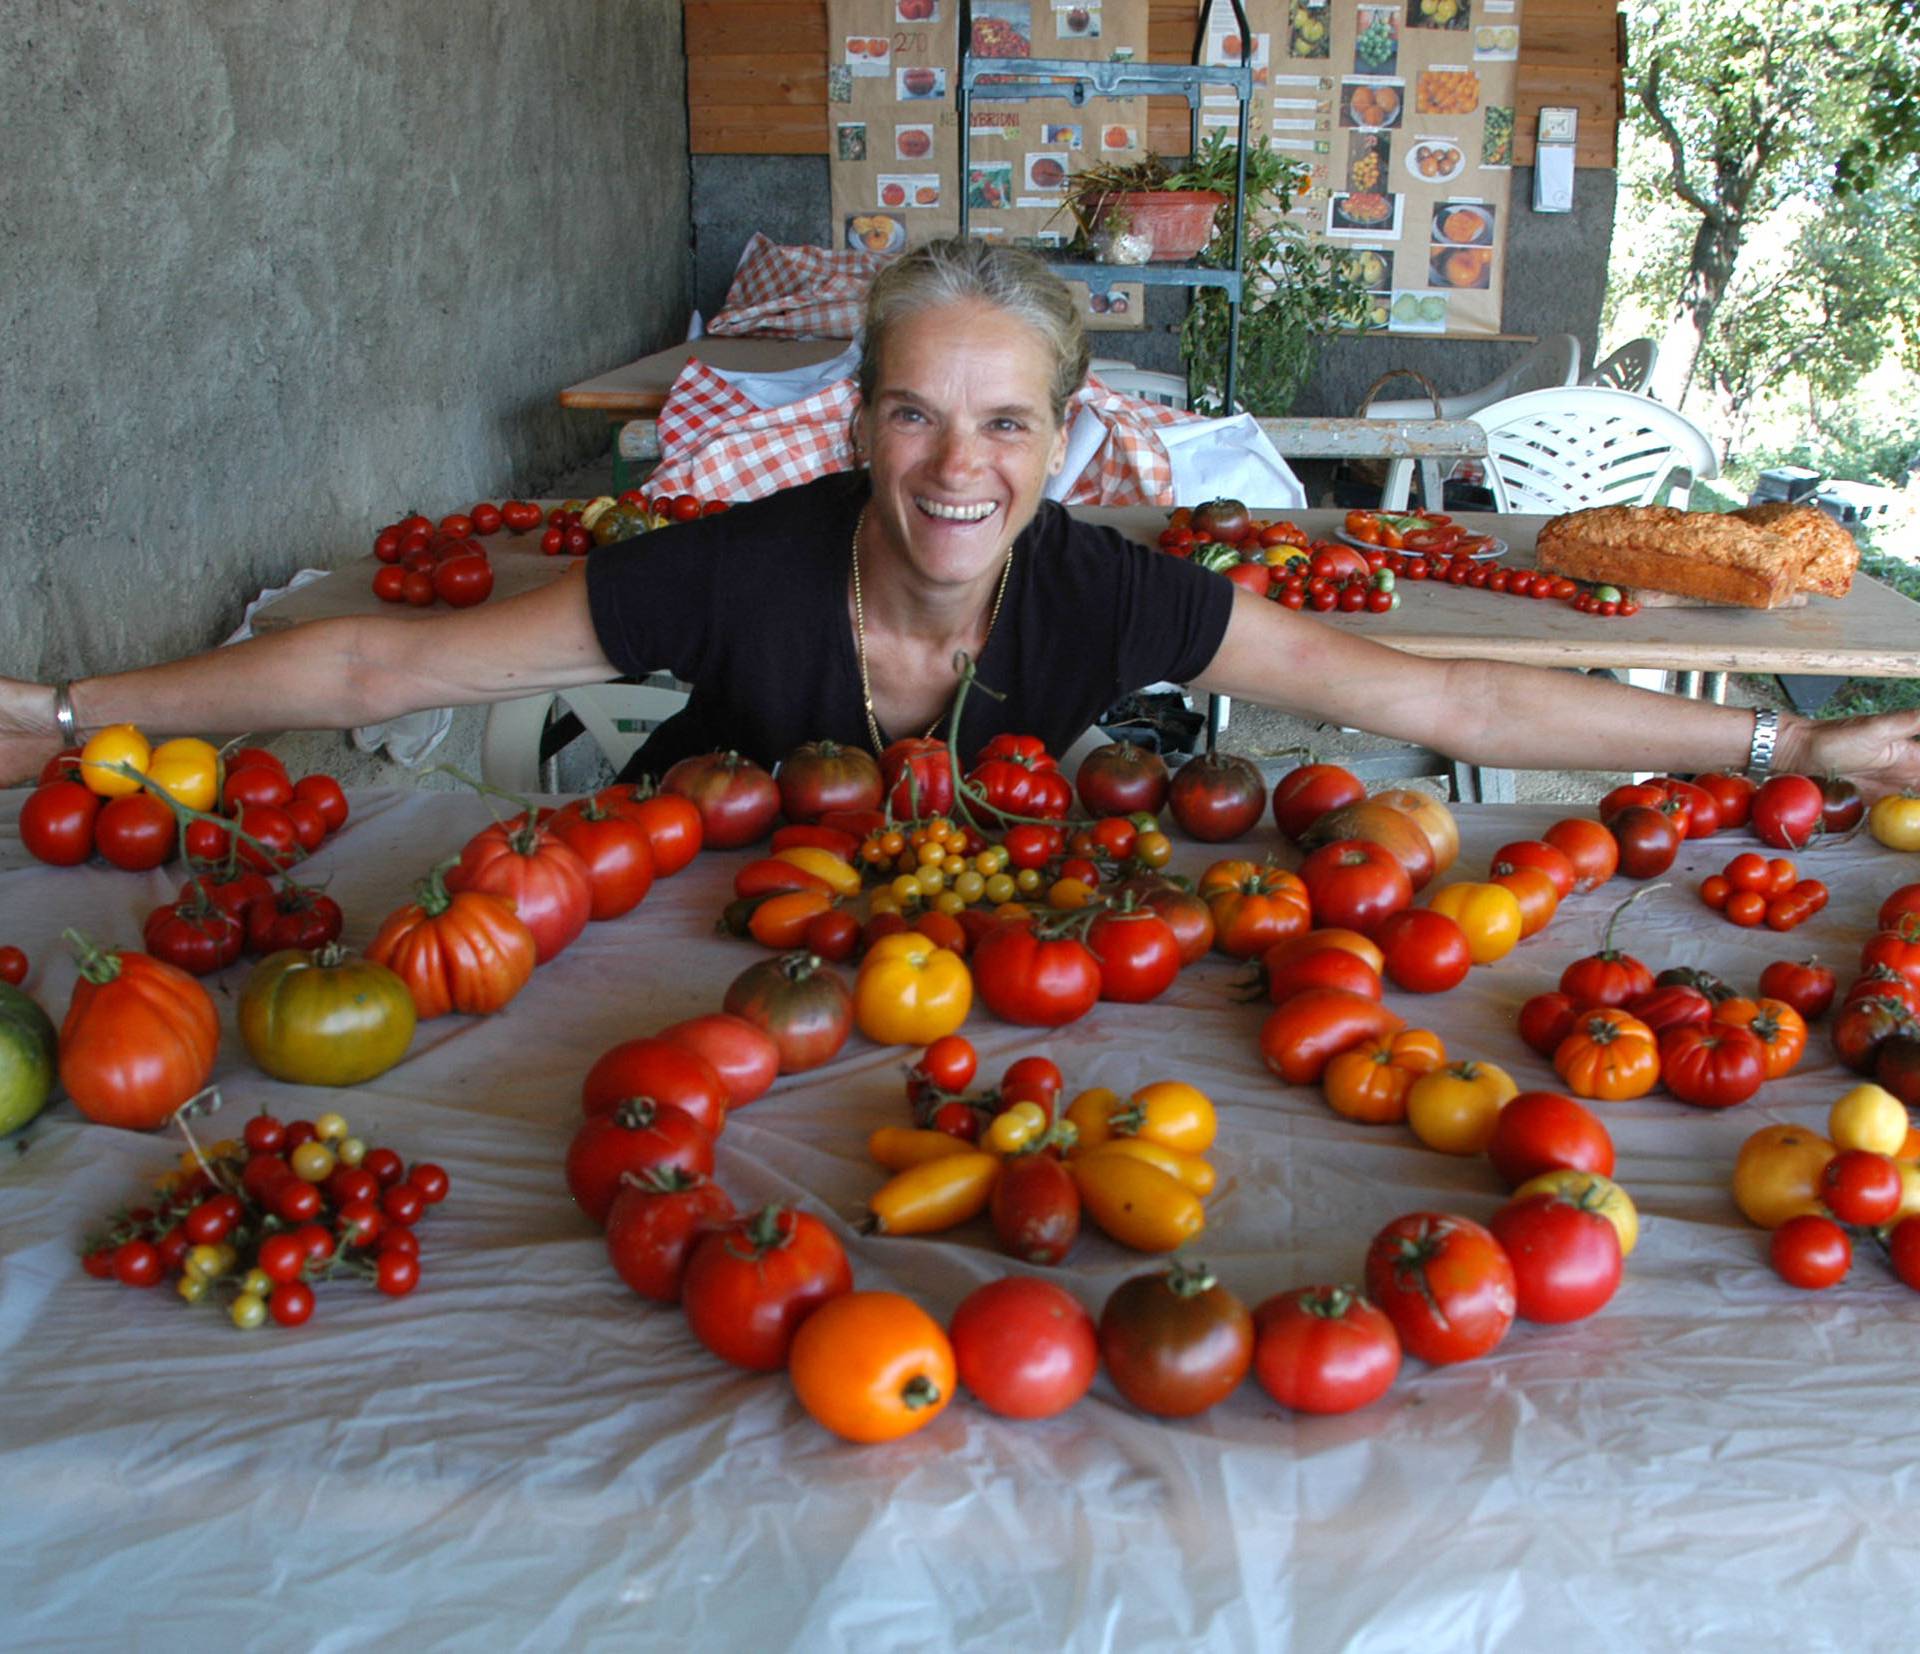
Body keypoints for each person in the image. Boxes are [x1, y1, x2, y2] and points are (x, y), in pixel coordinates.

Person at [4, 237, 1919, 798]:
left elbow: (1459, 707)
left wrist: (1794, 738)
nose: (954, 468)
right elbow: (372, 655)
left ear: (1071, 441)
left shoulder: (1113, 596)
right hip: (703, 983)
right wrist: (75, 717)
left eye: (1006, 423)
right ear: (855, 420)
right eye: (914, 412)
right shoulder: (730, 570)